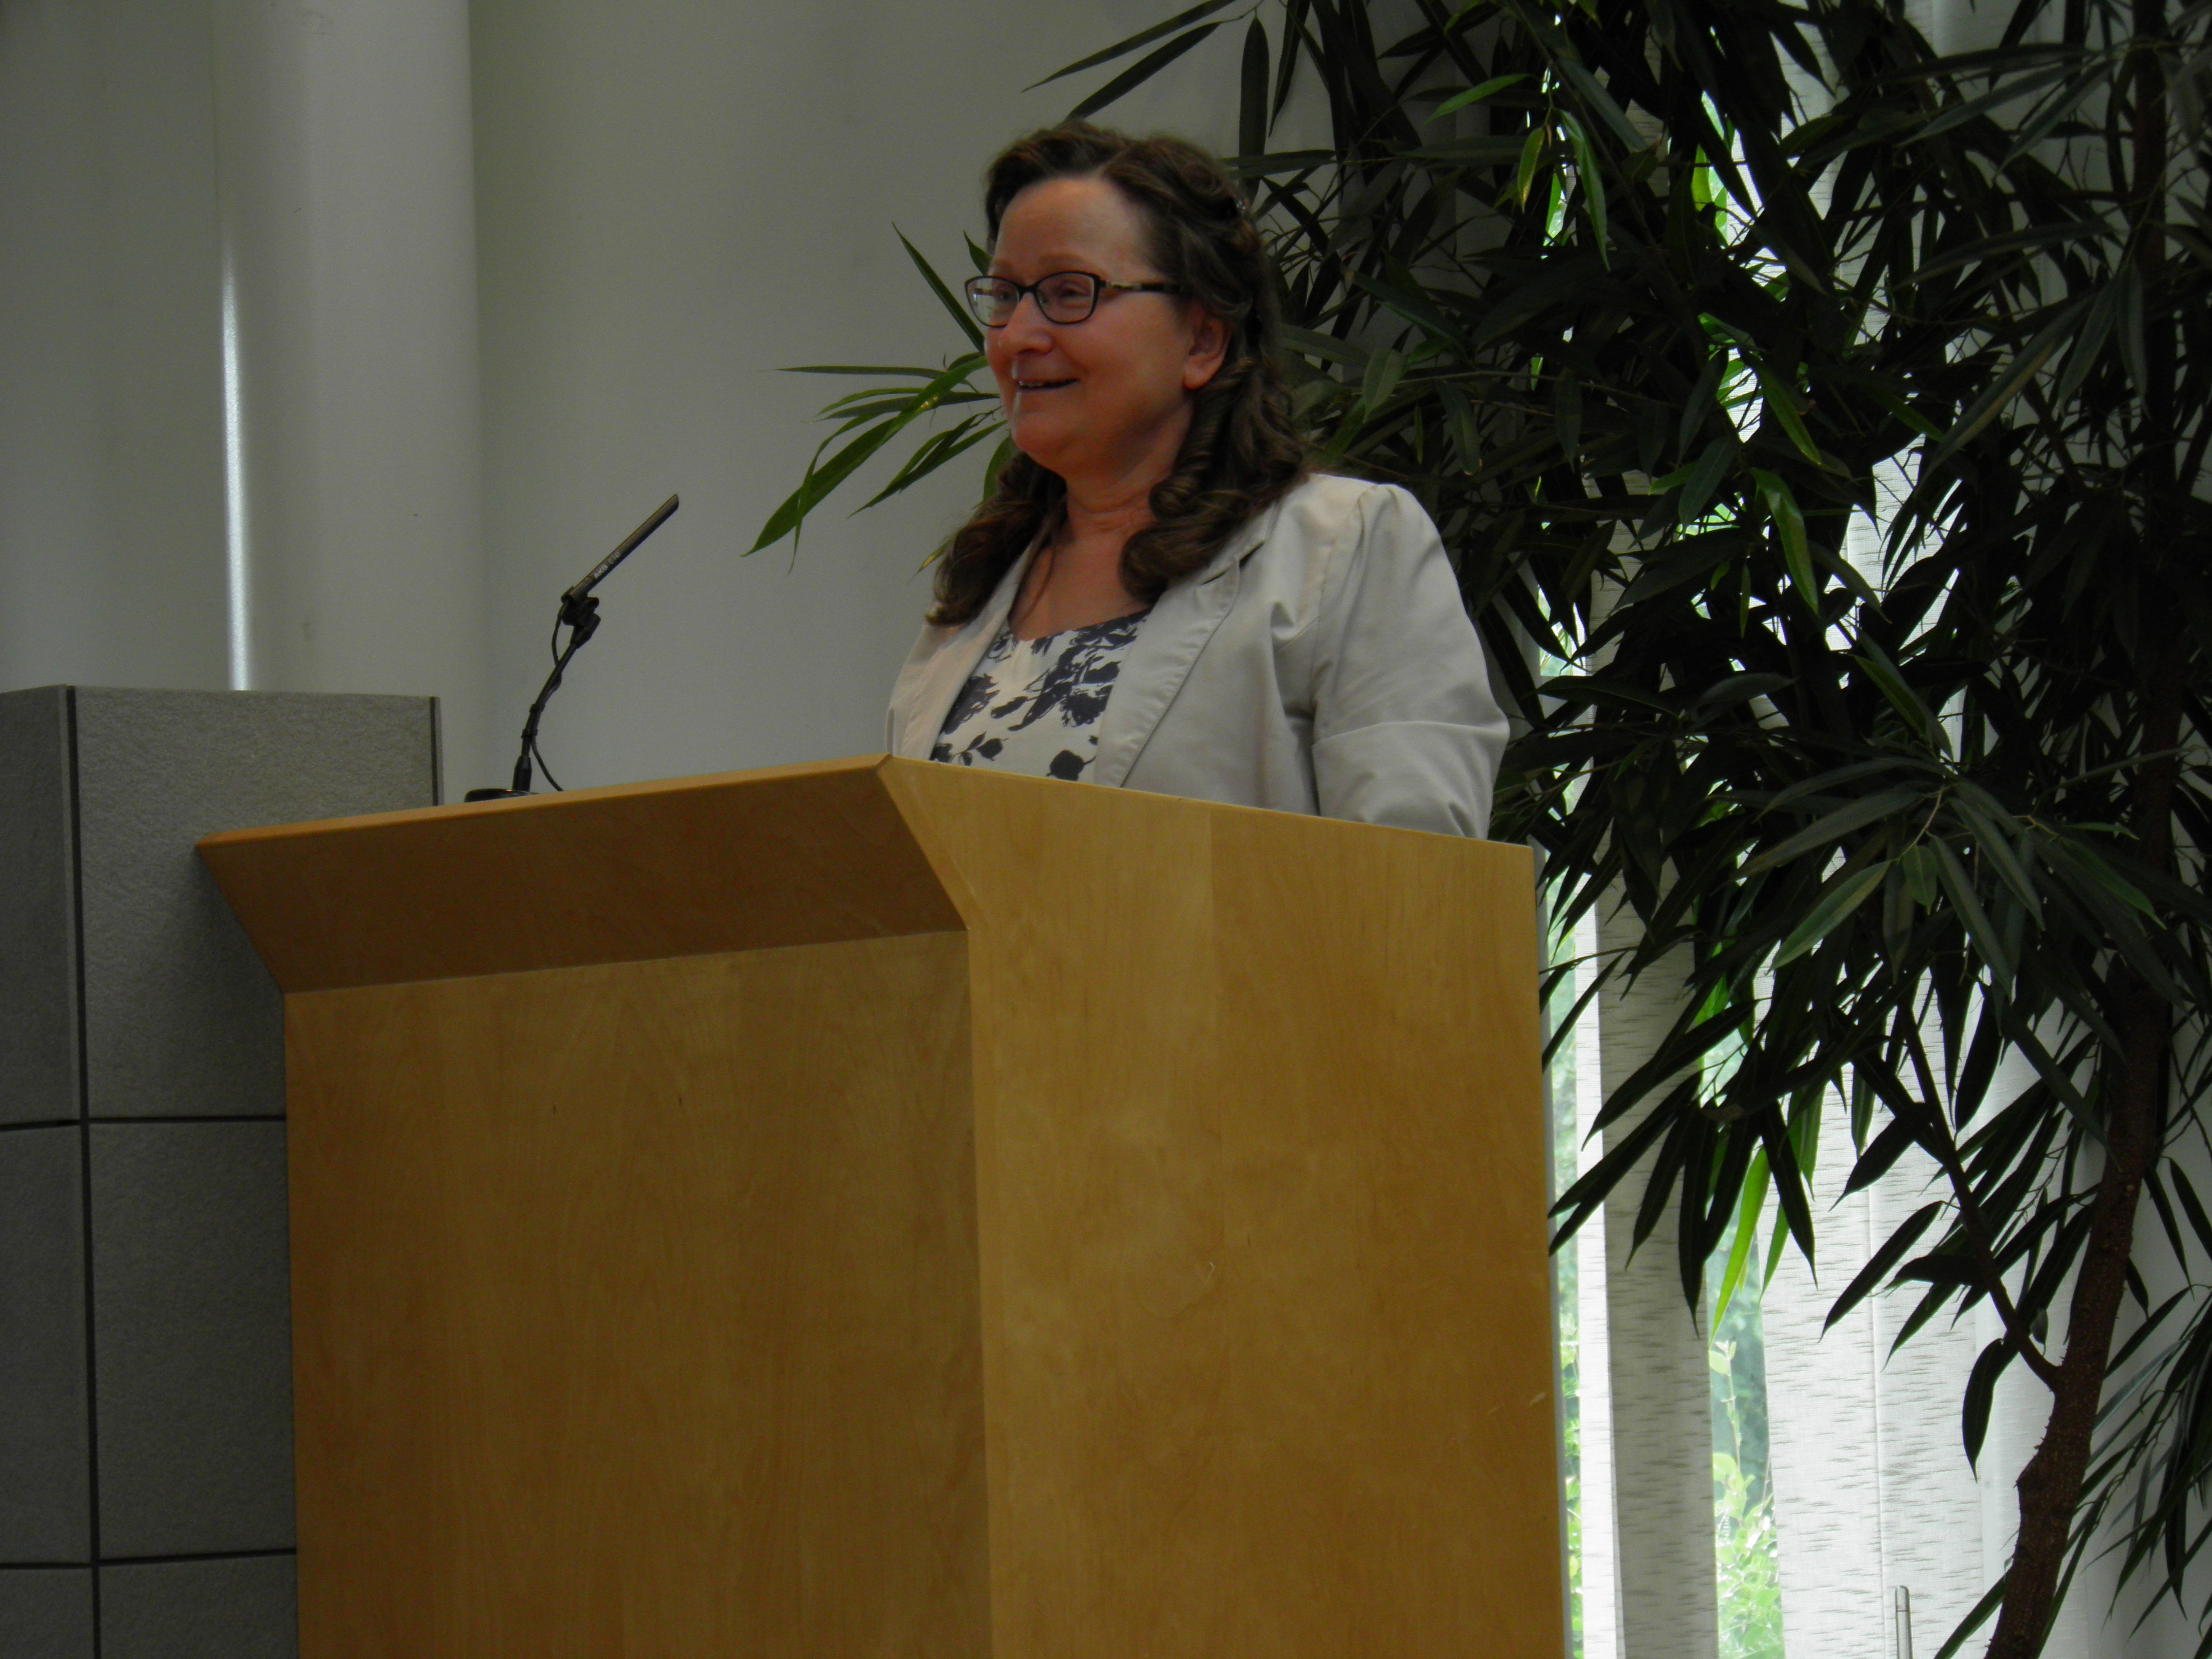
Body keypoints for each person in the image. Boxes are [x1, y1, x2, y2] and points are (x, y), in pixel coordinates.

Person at [885, 123, 1508, 839]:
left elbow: (1416, 880)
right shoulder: (983, 582)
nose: (1017, 336)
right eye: (1005, 296)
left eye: (1068, 292)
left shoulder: (1345, 546)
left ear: (1203, 340)